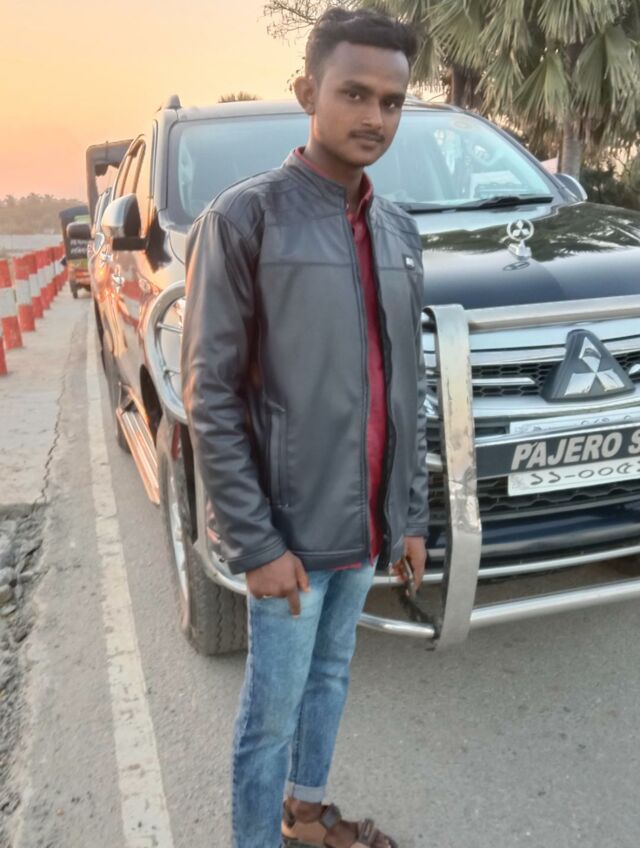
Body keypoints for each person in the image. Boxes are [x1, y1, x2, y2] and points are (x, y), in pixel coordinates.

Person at [181, 7, 429, 847]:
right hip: (287, 537)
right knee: (269, 718)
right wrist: (255, 544)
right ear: (306, 92)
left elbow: (405, 389)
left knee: (330, 679)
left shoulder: (397, 232)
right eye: (354, 93)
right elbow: (210, 396)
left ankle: (308, 815)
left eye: (392, 101)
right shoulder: (244, 220)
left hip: (364, 529)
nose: (375, 117)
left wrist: (410, 516)